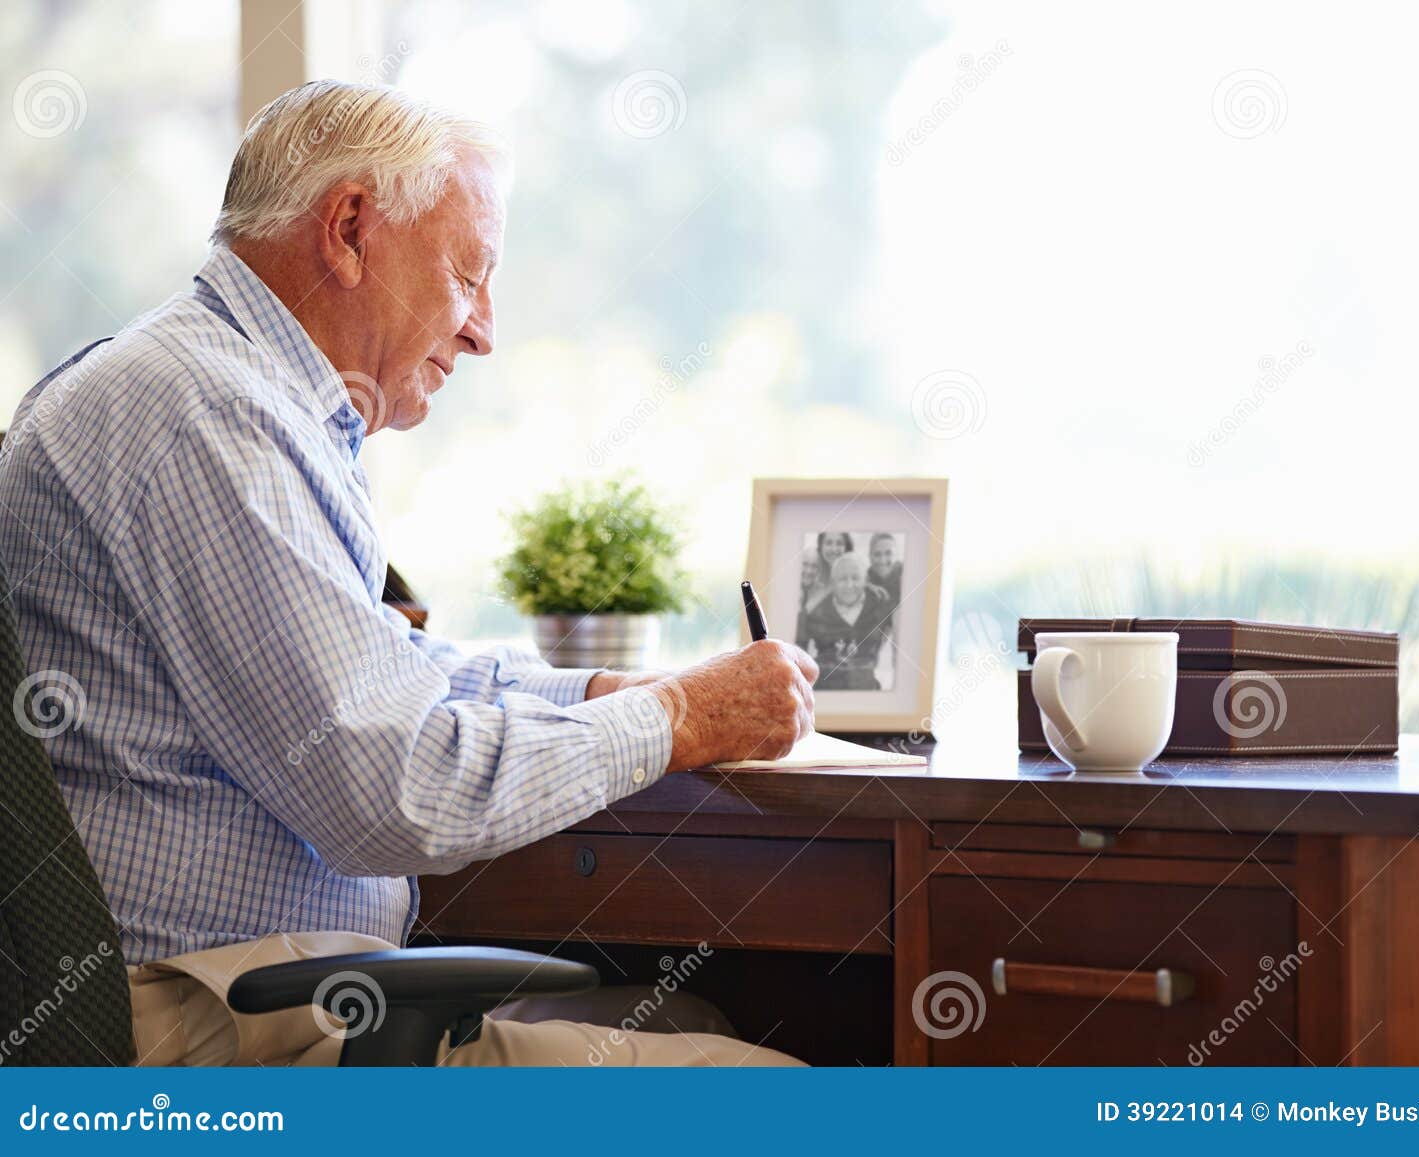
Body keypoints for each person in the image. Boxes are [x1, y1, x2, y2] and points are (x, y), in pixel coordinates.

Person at [0, 81, 818, 1067]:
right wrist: (677, 718)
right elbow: (398, 791)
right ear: (348, 228)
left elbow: (391, 672)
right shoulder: (204, 416)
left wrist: (606, 689)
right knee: (776, 1081)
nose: (482, 330)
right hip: (216, 1029)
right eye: (469, 275)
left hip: (262, 990)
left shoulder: (219, 391)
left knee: (698, 1019)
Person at [798, 553, 895, 691]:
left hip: (868, 691)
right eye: (842, 579)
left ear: (865, 580)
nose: (849, 585)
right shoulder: (814, 614)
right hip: (826, 692)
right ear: (832, 583)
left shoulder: (881, 606)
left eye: (855, 578)